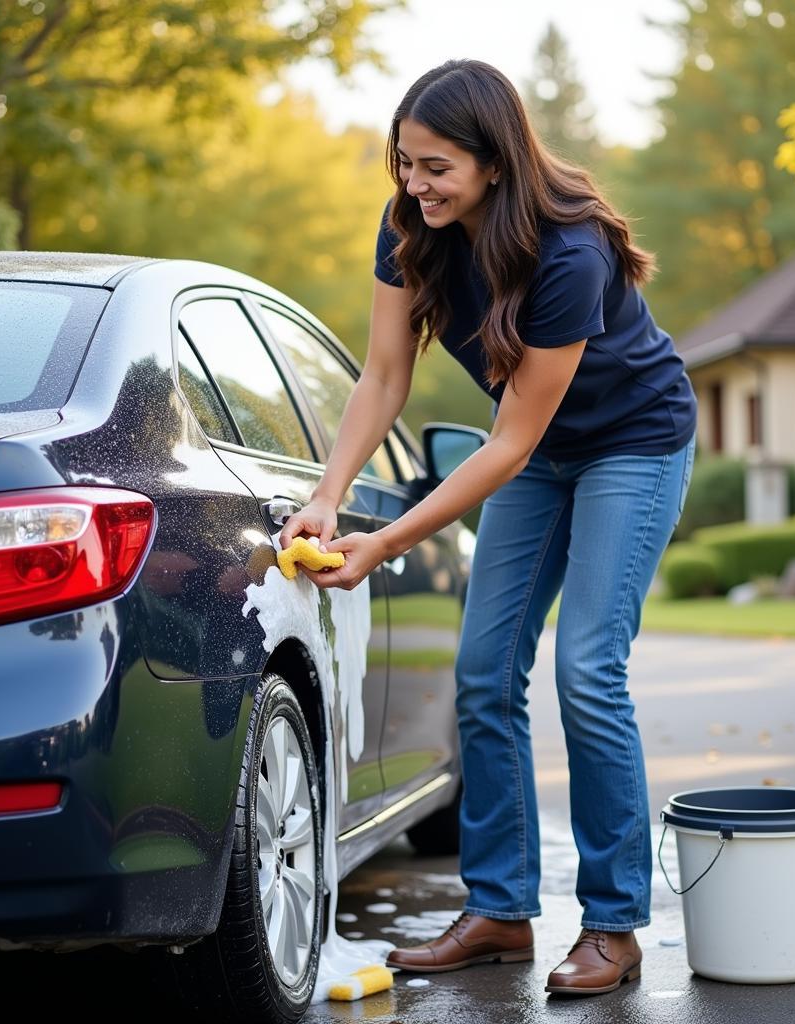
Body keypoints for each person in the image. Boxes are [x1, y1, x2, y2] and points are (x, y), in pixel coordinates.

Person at [278, 58, 697, 998]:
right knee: (482, 671)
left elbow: (509, 441)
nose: (416, 185)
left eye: (436, 168)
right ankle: (501, 910)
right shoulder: (409, 231)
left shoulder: (570, 252)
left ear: (494, 162)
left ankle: (614, 925)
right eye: (406, 163)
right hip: (539, 453)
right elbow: (383, 376)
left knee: (587, 666)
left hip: (632, 443)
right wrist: (328, 494)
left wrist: (386, 543)